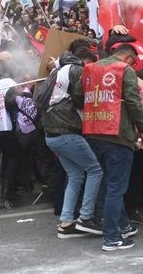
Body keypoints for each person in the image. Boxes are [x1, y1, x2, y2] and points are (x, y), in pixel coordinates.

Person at [83, 43, 143, 251]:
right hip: (118, 134)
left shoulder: (91, 68)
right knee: (116, 188)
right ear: (128, 58)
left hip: (94, 131)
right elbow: (133, 100)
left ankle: (122, 226)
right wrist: (142, 128)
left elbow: (78, 93)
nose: (133, 65)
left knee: (106, 184)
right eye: (134, 61)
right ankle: (112, 237)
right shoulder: (124, 70)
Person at [41, 49, 104, 239]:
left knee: (75, 175)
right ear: (84, 60)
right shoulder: (76, 70)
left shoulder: (55, 73)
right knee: (95, 171)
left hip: (50, 134)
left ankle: (66, 222)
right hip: (67, 132)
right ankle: (86, 218)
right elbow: (80, 98)